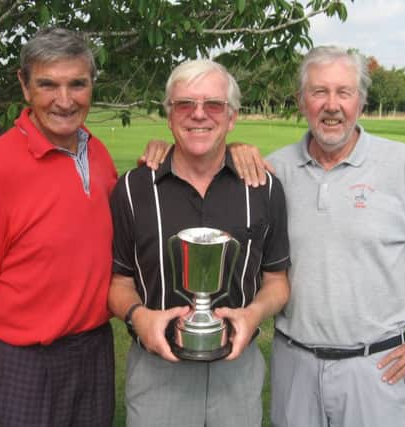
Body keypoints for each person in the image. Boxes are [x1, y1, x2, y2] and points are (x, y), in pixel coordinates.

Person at [225, 46, 405, 427]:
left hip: (376, 370)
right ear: (301, 101)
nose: (332, 105)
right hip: (293, 367)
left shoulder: (403, 165)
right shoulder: (274, 171)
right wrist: (230, 149)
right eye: (319, 92)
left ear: (361, 101)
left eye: (344, 92)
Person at [0, 28, 118, 427]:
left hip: (93, 353)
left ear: (91, 85)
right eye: (47, 84)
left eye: (77, 84)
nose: (64, 100)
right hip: (22, 361)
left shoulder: (99, 154)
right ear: (24, 86)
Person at [108, 59, 291, 427]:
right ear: (169, 113)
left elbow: (277, 282)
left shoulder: (264, 188)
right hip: (157, 375)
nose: (199, 115)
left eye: (213, 104)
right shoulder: (132, 189)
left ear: (232, 116)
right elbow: (118, 284)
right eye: (185, 104)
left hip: (237, 377)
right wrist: (139, 318)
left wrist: (252, 314)